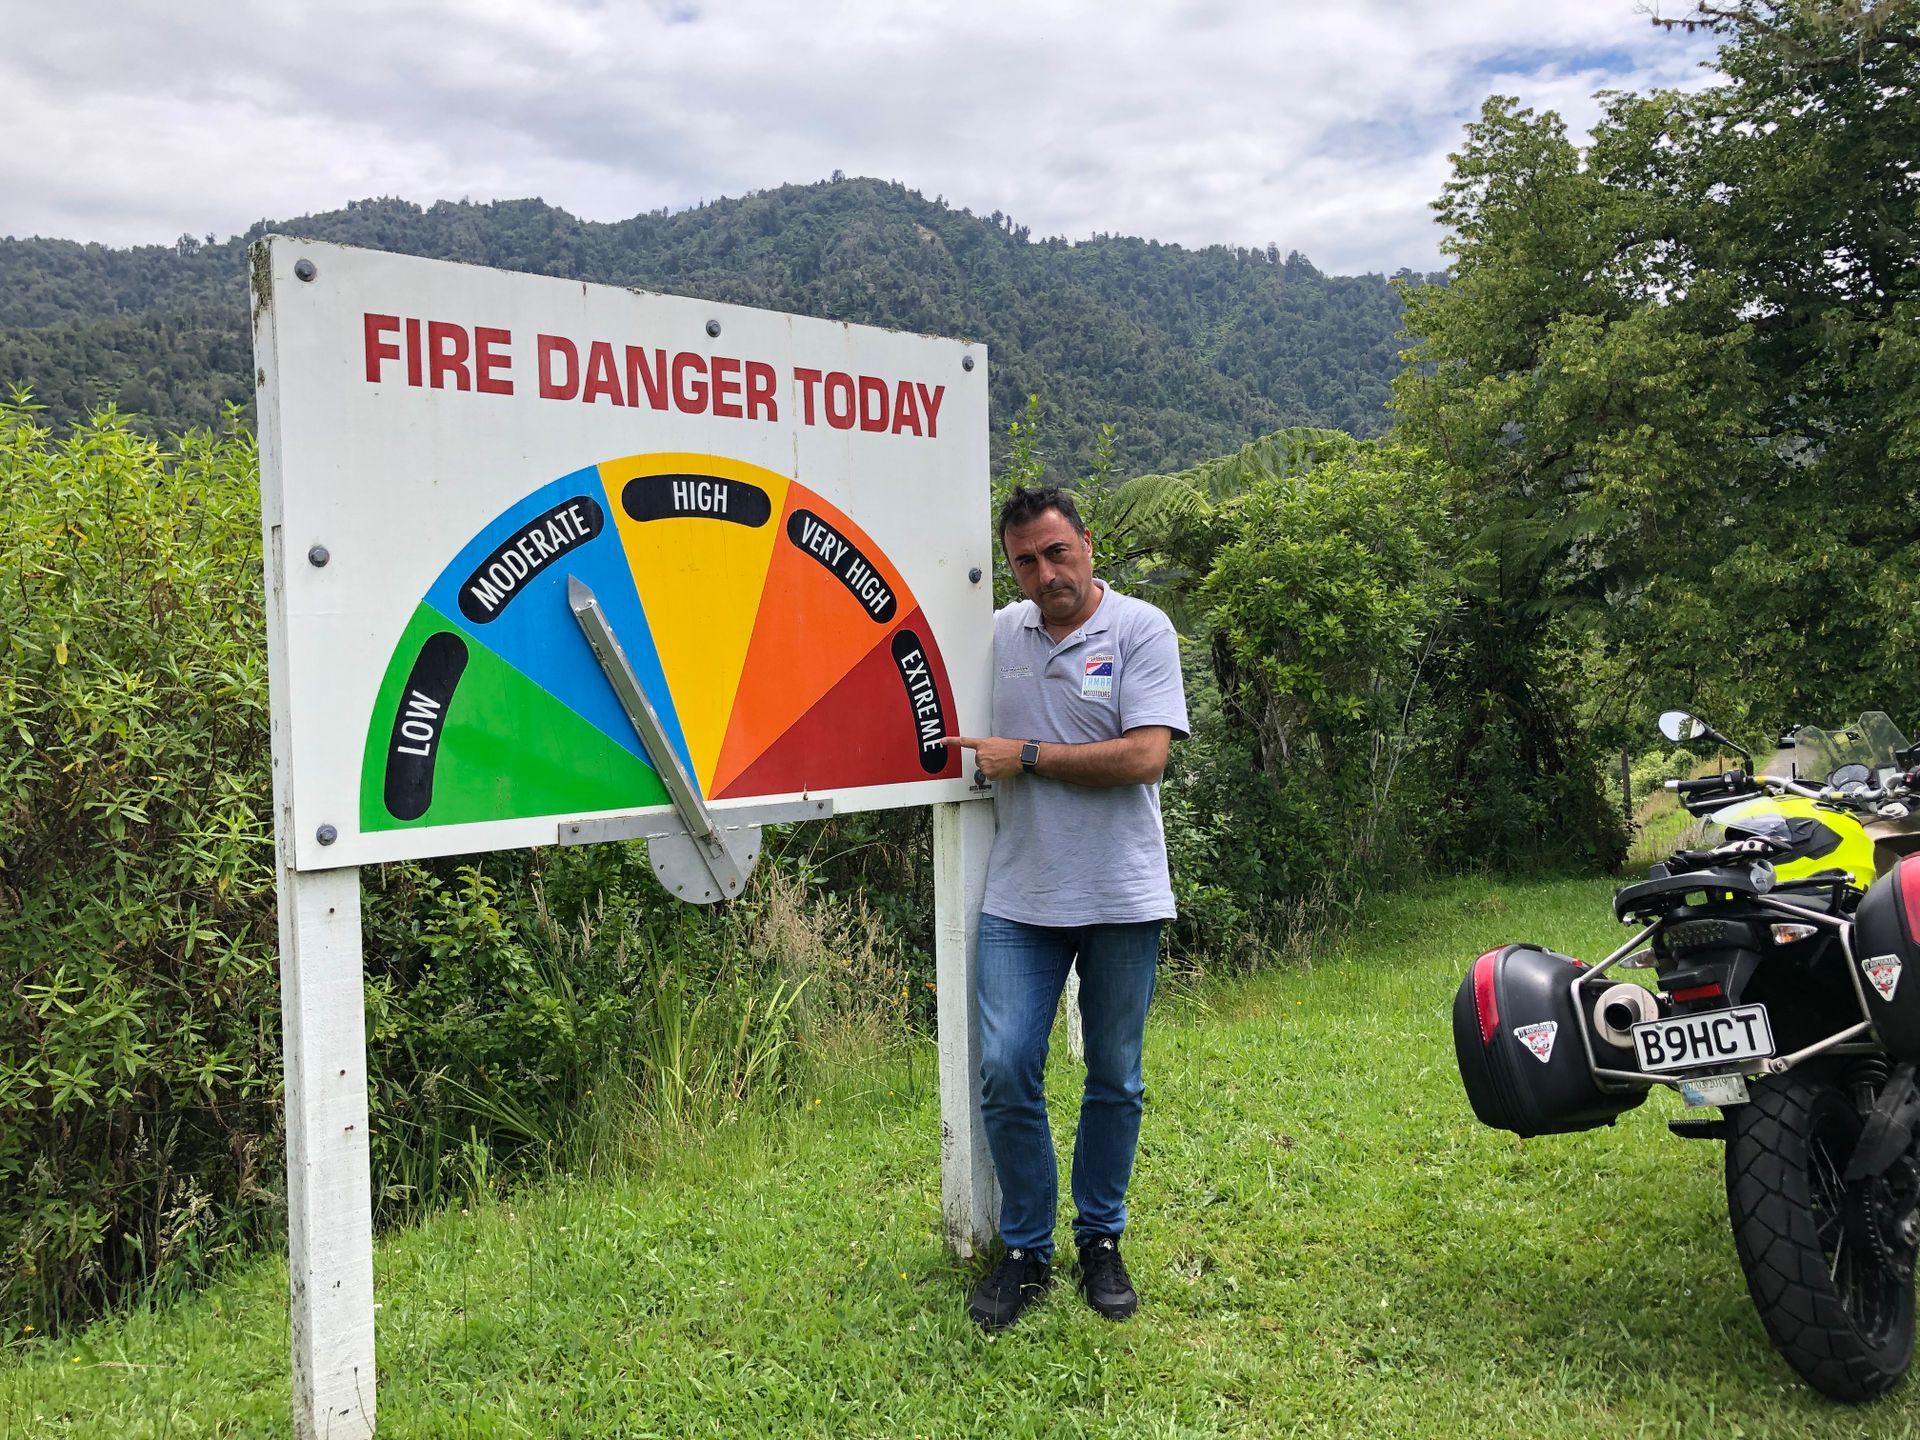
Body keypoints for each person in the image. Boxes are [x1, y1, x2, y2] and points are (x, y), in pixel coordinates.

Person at [942, 483, 1188, 1331]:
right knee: (1007, 1068)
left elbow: (1146, 756)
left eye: (1058, 551)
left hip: (1121, 895)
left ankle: (1102, 1242)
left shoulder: (1141, 629)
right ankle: (1024, 1251)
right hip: (1022, 896)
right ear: (1009, 566)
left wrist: (1032, 755)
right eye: (1026, 560)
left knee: (1114, 1077)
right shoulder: (998, 636)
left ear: (1087, 543)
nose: (1045, 572)